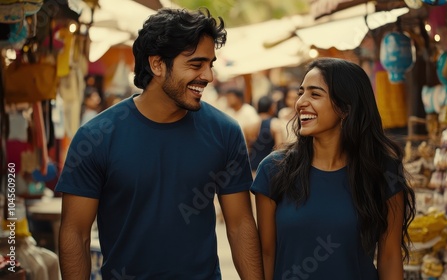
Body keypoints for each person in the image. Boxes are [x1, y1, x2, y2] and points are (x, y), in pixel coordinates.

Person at [55, 8, 263, 279]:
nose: (209, 76)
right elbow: (75, 233)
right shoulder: (96, 138)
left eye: (210, 64)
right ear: (157, 65)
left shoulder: (224, 132)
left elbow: (239, 225)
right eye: (195, 64)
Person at [251, 58, 416, 280]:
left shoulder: (382, 172)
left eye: (315, 94)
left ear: (346, 108)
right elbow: (266, 254)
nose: (301, 102)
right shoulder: (273, 171)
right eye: (301, 92)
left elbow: (390, 258)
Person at [244, 95, 284, 174]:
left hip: (252, 168)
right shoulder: (275, 123)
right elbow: (279, 149)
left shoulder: (248, 125)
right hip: (268, 170)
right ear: (272, 107)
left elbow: (246, 149)